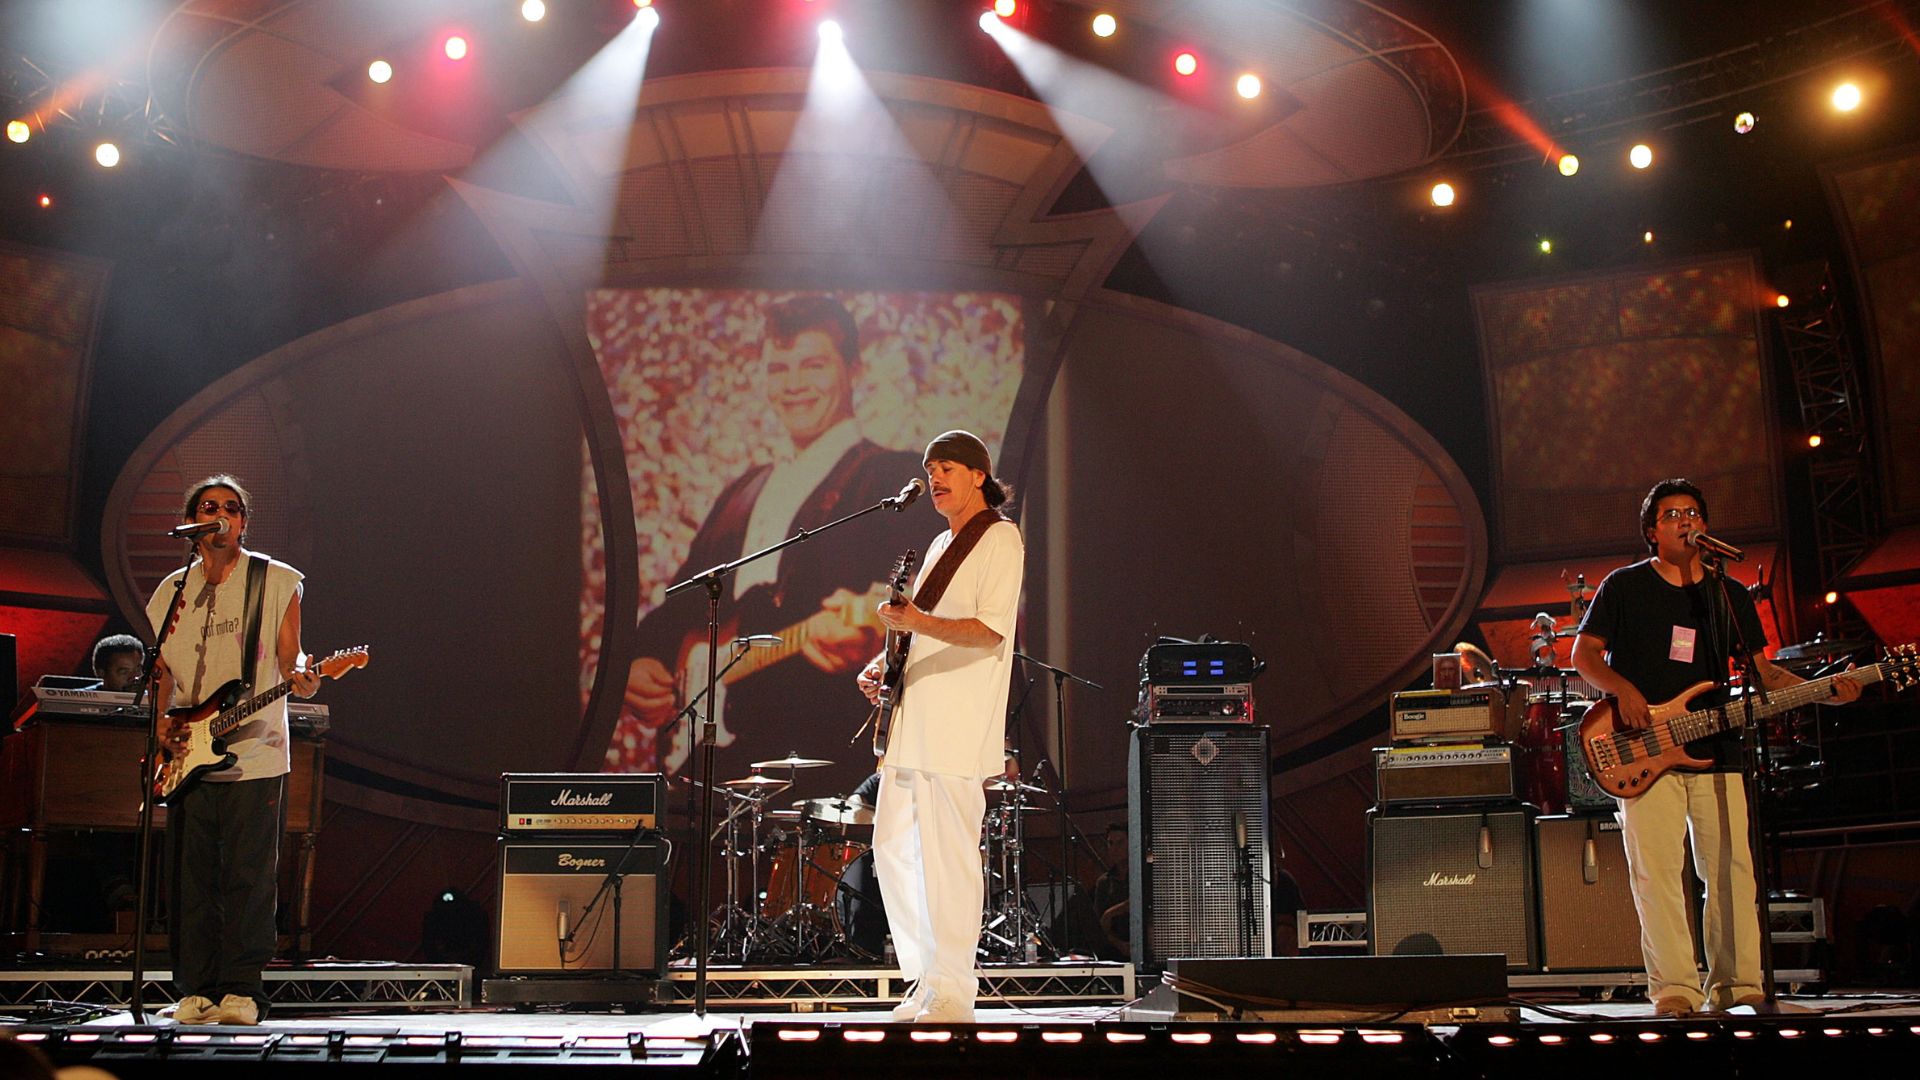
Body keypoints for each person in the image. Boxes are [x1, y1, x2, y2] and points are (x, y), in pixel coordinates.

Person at [1571, 478, 1860, 1016]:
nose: (1686, 520)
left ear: (1704, 526)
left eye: (1694, 512)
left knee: (1732, 869)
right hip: (1641, 745)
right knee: (1658, 874)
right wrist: (1625, 690)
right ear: (1652, 531)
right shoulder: (1624, 586)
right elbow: (1583, 656)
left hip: (1717, 746)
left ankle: (1737, 984)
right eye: (1672, 513)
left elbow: (1764, 674)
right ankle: (1675, 990)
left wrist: (1826, 692)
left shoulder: (1726, 593)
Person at [623, 296, 923, 788]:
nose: (795, 384)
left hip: (828, 774)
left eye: (813, 364)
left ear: (854, 369)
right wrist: (639, 663)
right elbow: (679, 606)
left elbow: (933, 602)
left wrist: (879, 632)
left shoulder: (895, 479)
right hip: (718, 774)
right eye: (779, 368)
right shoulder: (743, 491)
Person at [858, 430, 1024, 1023]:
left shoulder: (1000, 539)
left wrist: (917, 621)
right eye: (930, 469)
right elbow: (924, 626)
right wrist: (884, 661)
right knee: (892, 846)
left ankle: (955, 989)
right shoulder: (936, 545)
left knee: (949, 855)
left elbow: (987, 630)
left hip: (957, 720)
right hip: (914, 719)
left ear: (979, 474)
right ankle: (927, 980)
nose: (935, 478)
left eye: (947, 467)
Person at [144, 476, 319, 1026]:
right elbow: (164, 675)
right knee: (192, 879)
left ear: (244, 523)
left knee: (246, 876)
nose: (220, 514)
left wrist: (302, 676)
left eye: (231, 509)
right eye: (208, 507)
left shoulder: (275, 580)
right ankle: (194, 989)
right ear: (193, 521)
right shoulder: (173, 590)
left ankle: (243, 989)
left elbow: (292, 657)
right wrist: (162, 730)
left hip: (257, 750)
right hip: (188, 754)